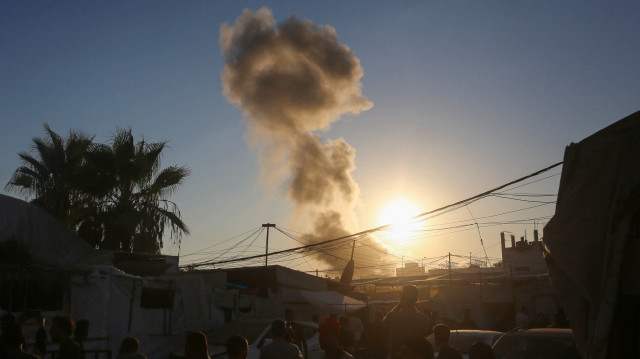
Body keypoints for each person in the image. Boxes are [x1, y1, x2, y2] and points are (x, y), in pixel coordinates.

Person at [382, 285, 429, 357]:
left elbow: (383, 325)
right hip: (416, 355)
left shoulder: (392, 316)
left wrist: (399, 305)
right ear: (416, 300)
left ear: (401, 299)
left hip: (397, 355)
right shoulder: (423, 318)